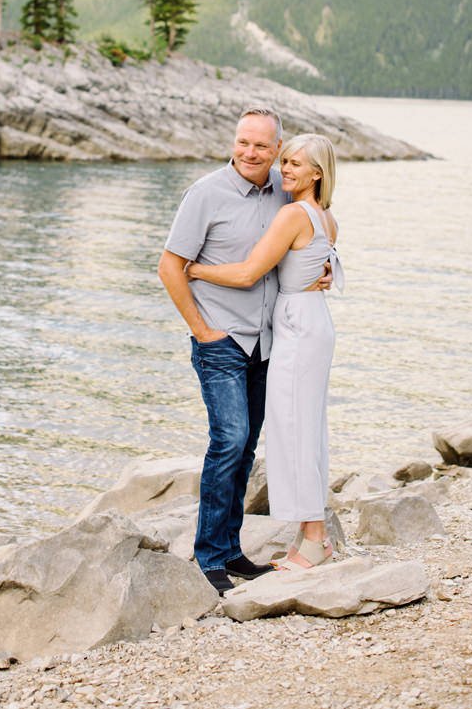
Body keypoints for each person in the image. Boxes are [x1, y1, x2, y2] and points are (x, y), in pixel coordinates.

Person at [185, 133, 344, 571]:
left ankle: (314, 538)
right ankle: (310, 535)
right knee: (306, 427)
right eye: (285, 161)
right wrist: (325, 269)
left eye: (295, 163)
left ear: (317, 173)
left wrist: (194, 268)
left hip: (294, 326)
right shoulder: (326, 215)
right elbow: (324, 258)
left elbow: (249, 272)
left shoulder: (292, 213)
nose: (285, 170)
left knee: (294, 429)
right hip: (313, 320)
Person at [159, 107, 290, 594]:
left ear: (277, 147)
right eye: (243, 143)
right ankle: (208, 557)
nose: (250, 152)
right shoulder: (205, 193)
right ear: (233, 142)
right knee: (230, 440)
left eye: (260, 145)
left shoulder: (285, 188)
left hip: (267, 342)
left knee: (247, 446)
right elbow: (170, 266)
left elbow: (316, 227)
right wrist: (202, 329)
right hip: (222, 341)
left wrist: (327, 265)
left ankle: (232, 551)